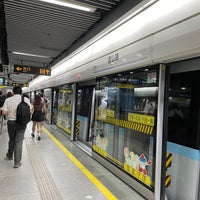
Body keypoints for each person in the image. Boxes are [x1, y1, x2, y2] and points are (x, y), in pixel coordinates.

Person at [2, 86, 31, 168]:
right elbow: (30, 110)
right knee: (19, 142)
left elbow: (4, 112)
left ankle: (9, 155)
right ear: (21, 92)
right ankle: (17, 162)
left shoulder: (8, 100)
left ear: (13, 92)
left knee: (11, 139)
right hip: (22, 123)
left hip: (11, 123)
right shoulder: (26, 100)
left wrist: (10, 112)